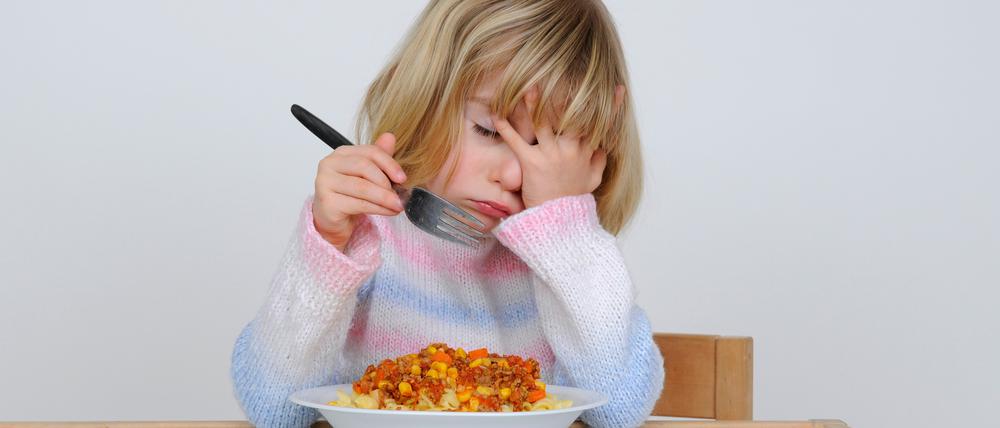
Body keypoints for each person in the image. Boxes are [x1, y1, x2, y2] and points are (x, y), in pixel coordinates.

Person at [231, 0, 664, 426]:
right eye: (488, 130)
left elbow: (618, 408)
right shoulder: (366, 235)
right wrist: (328, 245)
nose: (514, 174)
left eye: (544, 150)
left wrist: (564, 230)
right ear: (421, 98)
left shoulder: (568, 261)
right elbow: (276, 408)